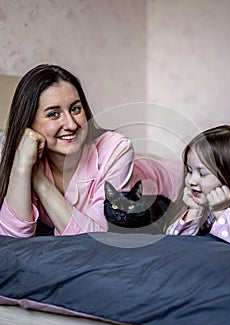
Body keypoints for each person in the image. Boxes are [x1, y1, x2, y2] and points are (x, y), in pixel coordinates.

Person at [0, 64, 135, 237]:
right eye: (53, 114)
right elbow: (11, 239)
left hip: (158, 181)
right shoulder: (27, 158)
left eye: (75, 109)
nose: (71, 125)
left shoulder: (117, 149)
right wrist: (22, 165)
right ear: (29, 123)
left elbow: (99, 239)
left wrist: (40, 182)